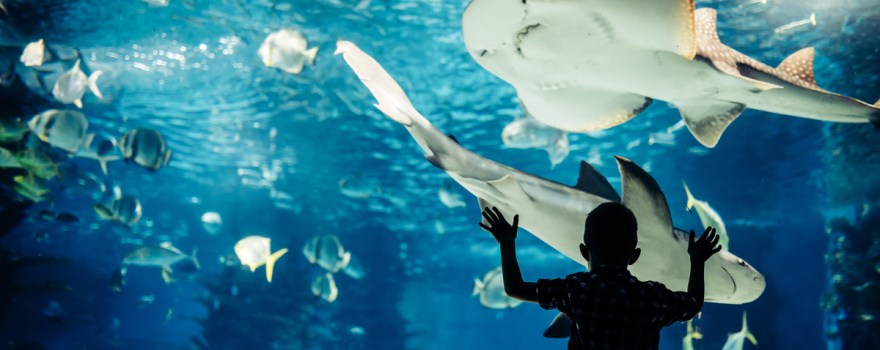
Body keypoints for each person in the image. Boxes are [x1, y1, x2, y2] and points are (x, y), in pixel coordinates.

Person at [479, 202, 721, 349]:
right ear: (635, 256)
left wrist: (507, 242)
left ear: (584, 252)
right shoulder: (651, 296)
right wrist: (697, 260)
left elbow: (514, 288)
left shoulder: (575, 288)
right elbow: (692, 304)